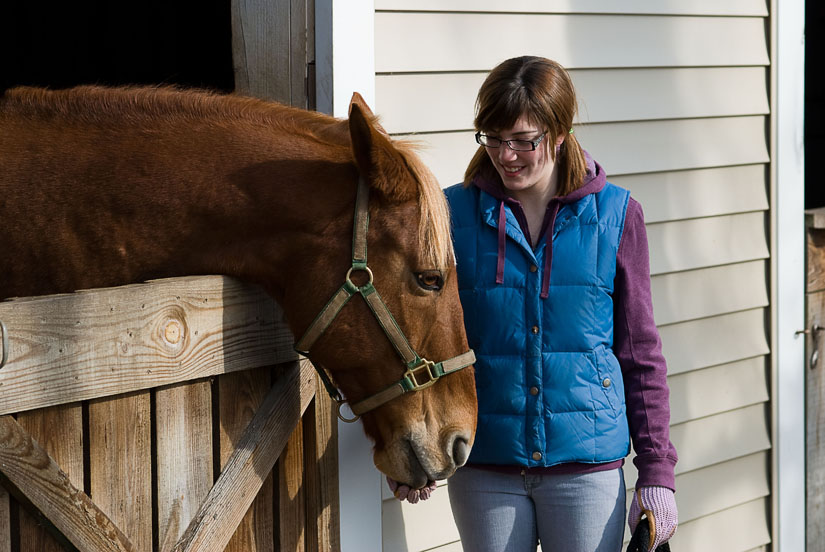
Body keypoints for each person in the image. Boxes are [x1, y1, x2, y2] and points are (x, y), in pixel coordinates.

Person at [388, 56, 678, 552]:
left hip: (585, 468)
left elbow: (640, 353)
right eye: (494, 138)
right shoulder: (449, 214)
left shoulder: (617, 216)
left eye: (524, 140)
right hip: (486, 467)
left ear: (560, 132)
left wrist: (657, 471)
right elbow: (419, 341)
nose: (507, 155)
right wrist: (414, 445)